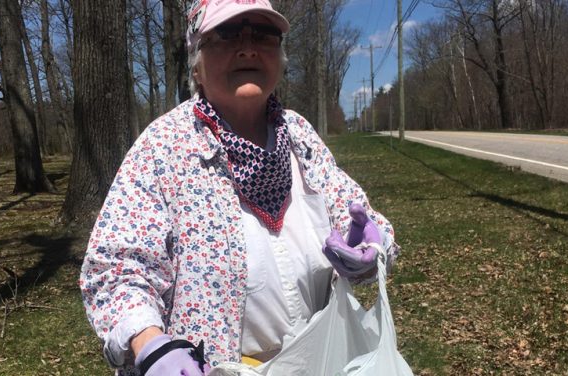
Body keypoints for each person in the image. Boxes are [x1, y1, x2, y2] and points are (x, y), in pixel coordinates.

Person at [80, 1, 400, 375]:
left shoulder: (300, 137)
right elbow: (115, 271)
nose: (248, 47)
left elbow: (365, 221)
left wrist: (369, 247)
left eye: (263, 35)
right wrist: (150, 344)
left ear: (280, 58)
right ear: (196, 64)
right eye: (228, 34)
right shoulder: (163, 147)